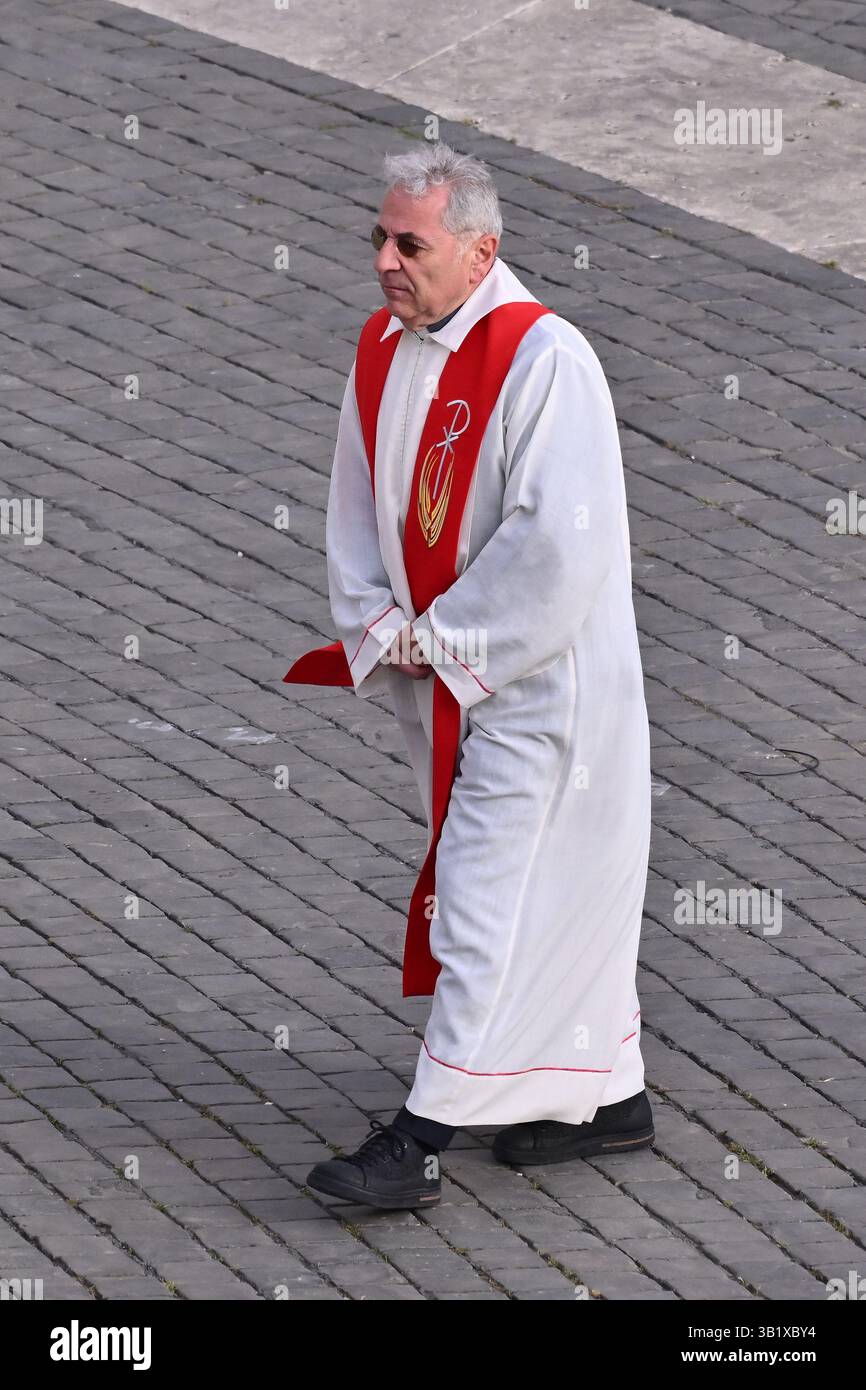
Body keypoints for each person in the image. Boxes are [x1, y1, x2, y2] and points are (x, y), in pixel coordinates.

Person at [283, 142, 654, 1210]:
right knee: (545, 893)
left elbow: (562, 548)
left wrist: (446, 638)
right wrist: (377, 621)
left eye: (411, 244)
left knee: (483, 896)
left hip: (541, 685)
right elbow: (355, 500)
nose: (386, 263)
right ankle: (607, 1092)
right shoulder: (380, 346)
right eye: (379, 240)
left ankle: (420, 1136)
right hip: (445, 675)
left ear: (480, 249)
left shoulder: (547, 362)